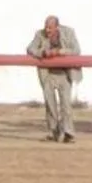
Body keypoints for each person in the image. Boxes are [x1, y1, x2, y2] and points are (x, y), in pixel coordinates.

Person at [27, 15, 81, 143]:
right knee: (50, 104)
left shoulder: (69, 32)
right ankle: (53, 132)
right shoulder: (39, 34)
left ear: (57, 27)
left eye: (50, 27)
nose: (47, 30)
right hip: (48, 74)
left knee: (66, 105)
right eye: (46, 27)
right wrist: (42, 53)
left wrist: (59, 52)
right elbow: (30, 49)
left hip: (65, 73)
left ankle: (68, 132)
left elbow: (76, 50)